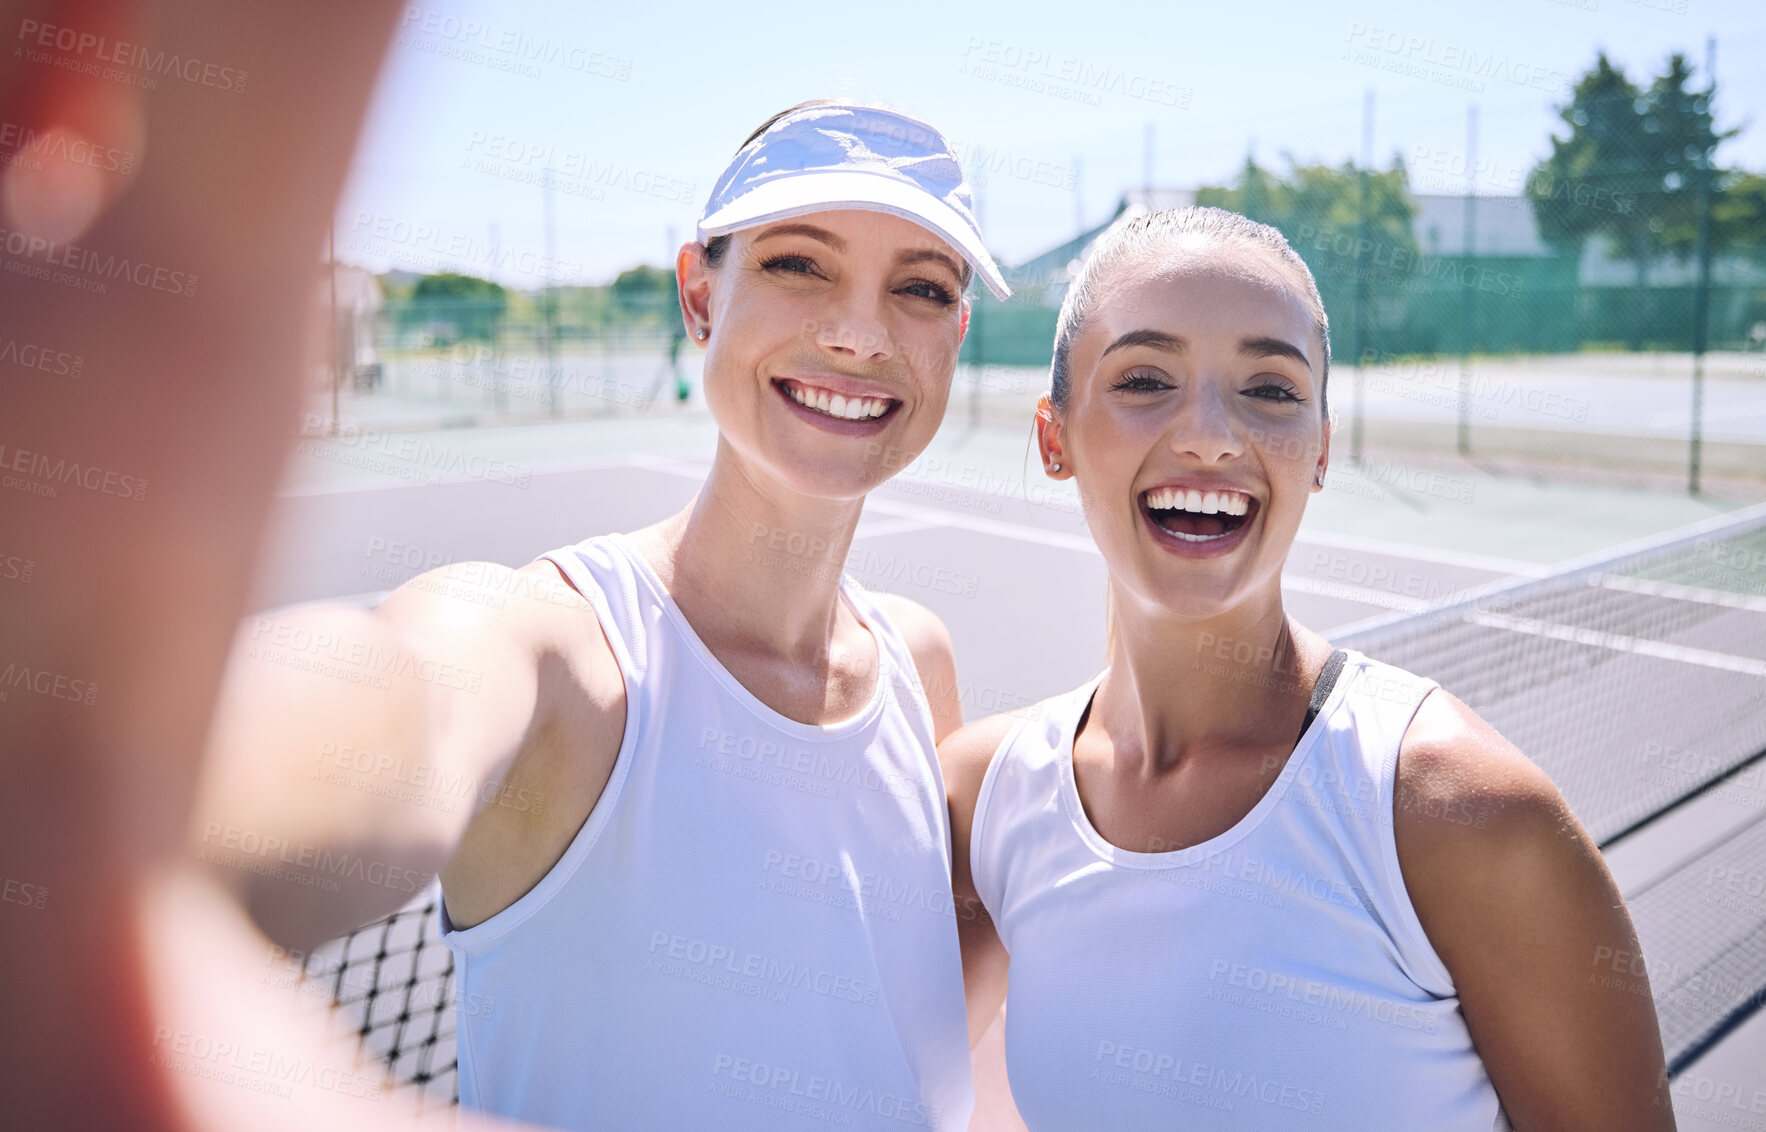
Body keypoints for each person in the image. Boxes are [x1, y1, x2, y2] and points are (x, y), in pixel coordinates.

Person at [190, 100, 1011, 1130]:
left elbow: (900, 1020)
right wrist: (131, 803)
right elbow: (388, 696)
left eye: (922, 289)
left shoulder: (916, 659)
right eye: (798, 264)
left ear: (954, 340)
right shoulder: (554, 649)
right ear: (699, 295)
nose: (858, 331)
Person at [942, 207, 1675, 1130]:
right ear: (1054, 438)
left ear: (1320, 448)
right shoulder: (984, 799)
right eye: (1144, 379)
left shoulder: (1459, 814)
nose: (1210, 435)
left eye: (1271, 390)